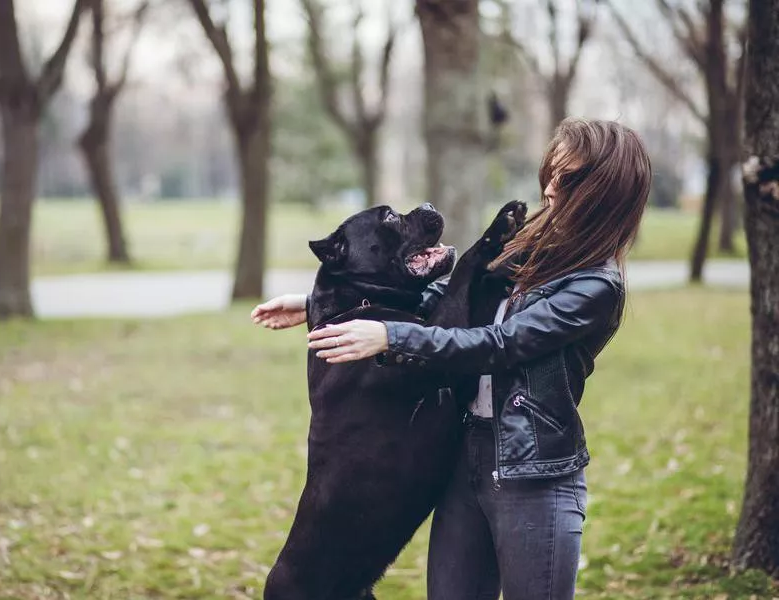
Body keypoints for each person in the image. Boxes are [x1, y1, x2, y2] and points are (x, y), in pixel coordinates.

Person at [251, 118, 652, 600]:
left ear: (605, 192)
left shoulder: (595, 286)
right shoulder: (537, 248)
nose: (549, 187)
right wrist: (321, 302)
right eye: (551, 171)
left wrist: (390, 337)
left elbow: (499, 342)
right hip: (466, 463)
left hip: (533, 476)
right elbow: (451, 298)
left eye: (566, 179)